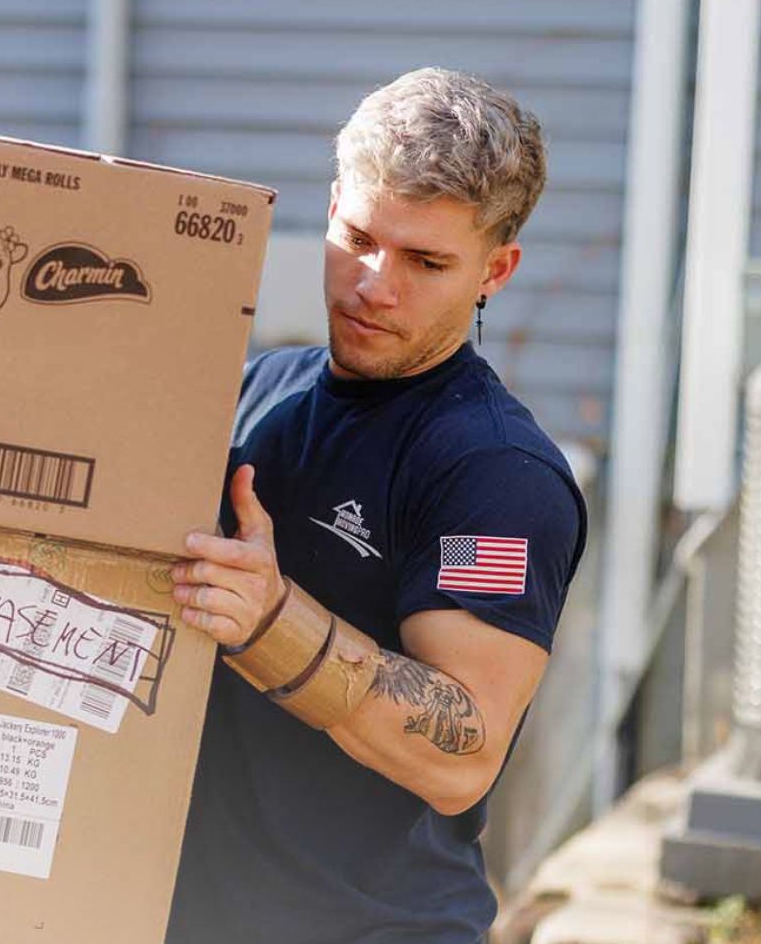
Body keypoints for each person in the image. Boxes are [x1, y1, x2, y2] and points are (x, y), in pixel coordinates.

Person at [162, 68, 588, 941]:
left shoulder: (496, 475)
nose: (374, 286)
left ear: (494, 271)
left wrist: (271, 619)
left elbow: (461, 756)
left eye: (426, 262)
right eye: (358, 238)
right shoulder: (256, 394)